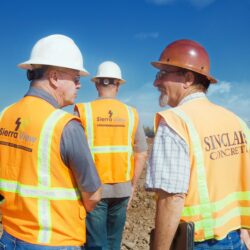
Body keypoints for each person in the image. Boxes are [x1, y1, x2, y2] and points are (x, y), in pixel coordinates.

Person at [145, 39, 250, 250]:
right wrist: (245, 231)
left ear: (188, 78)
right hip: (237, 239)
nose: (156, 83)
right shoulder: (236, 121)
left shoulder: (175, 122)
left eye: (162, 74)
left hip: (200, 243)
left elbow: (171, 200)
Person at [0, 34, 102, 249]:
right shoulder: (65, 125)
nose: (79, 85)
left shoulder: (4, 115)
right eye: (75, 78)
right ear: (54, 77)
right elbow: (92, 196)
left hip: (9, 238)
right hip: (54, 240)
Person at [75, 61, 148, 250]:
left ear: (97, 83)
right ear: (118, 85)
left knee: (96, 244)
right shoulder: (132, 114)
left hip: (92, 189)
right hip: (123, 190)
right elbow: (141, 153)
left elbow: (74, 153)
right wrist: (131, 187)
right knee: (113, 242)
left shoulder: (83, 111)